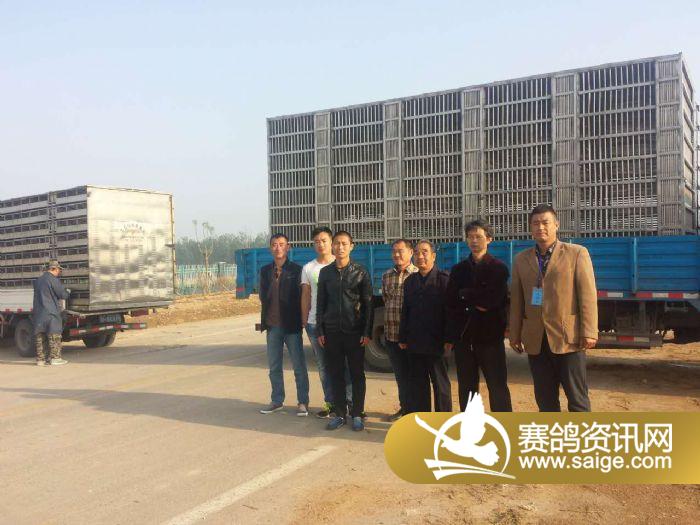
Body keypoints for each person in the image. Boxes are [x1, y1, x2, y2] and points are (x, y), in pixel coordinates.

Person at [509, 204, 598, 412]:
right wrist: (515, 334)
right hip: (536, 340)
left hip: (568, 338)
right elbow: (517, 301)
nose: (540, 227)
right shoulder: (521, 259)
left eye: (545, 222)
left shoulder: (576, 253)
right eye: (535, 223)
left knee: (577, 398)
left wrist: (589, 331)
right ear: (530, 227)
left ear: (556, 225)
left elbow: (587, 295)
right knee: (545, 399)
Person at [445, 220, 512, 412]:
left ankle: (505, 425)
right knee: (467, 387)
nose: (474, 241)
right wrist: (475, 297)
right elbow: (451, 301)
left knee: (497, 386)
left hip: (490, 338)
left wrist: (466, 294)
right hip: (464, 338)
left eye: (478, 237)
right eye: (470, 237)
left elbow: (491, 301)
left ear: (489, 239)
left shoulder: (498, 268)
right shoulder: (458, 269)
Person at [316, 231, 373, 431]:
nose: (340, 247)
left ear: (351, 246)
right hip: (332, 332)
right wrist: (320, 330)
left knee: (357, 374)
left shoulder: (360, 272)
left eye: (344, 244)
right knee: (336, 374)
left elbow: (368, 304)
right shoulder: (325, 273)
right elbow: (320, 303)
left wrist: (366, 332)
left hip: (354, 333)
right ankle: (340, 414)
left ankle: (357, 413)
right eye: (337, 243)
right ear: (332, 246)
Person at [301, 226, 352, 418]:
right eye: (316, 241)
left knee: (344, 365)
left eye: (324, 240)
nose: (320, 244)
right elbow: (306, 296)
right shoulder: (308, 268)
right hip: (315, 324)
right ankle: (331, 403)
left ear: (331, 242)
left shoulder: (341, 264)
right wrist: (304, 321)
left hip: (337, 324)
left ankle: (349, 402)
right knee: (323, 366)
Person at [258, 233, 310, 416]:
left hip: (292, 326)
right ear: (270, 248)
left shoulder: (297, 270)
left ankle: (302, 402)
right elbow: (263, 296)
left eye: (281, 244)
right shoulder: (265, 271)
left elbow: (303, 297)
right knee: (274, 367)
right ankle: (277, 400)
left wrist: (303, 319)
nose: (278, 248)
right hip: (273, 326)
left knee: (299, 367)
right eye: (274, 244)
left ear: (288, 247)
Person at [399, 240, 452, 413]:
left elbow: (451, 312)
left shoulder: (444, 280)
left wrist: (450, 339)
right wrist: (403, 337)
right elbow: (405, 311)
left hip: (437, 343)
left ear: (433, 256)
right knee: (419, 386)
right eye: (416, 253)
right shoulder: (410, 282)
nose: (420, 256)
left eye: (424, 252)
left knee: (441, 386)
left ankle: (443, 422)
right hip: (415, 342)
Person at [381, 239, 418, 421]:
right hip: (391, 336)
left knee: (415, 377)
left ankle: (416, 411)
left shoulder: (418, 274)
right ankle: (405, 409)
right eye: (394, 251)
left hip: (412, 337)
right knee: (400, 377)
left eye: (401, 251)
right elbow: (386, 300)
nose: (397, 254)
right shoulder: (387, 275)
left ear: (411, 253)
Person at [32, 259, 71, 366]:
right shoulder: (53, 280)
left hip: (39, 313)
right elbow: (62, 295)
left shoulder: (38, 280)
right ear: (55, 269)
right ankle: (55, 358)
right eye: (59, 270)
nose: (59, 272)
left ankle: (41, 360)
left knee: (41, 337)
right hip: (51, 313)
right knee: (54, 336)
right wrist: (68, 292)